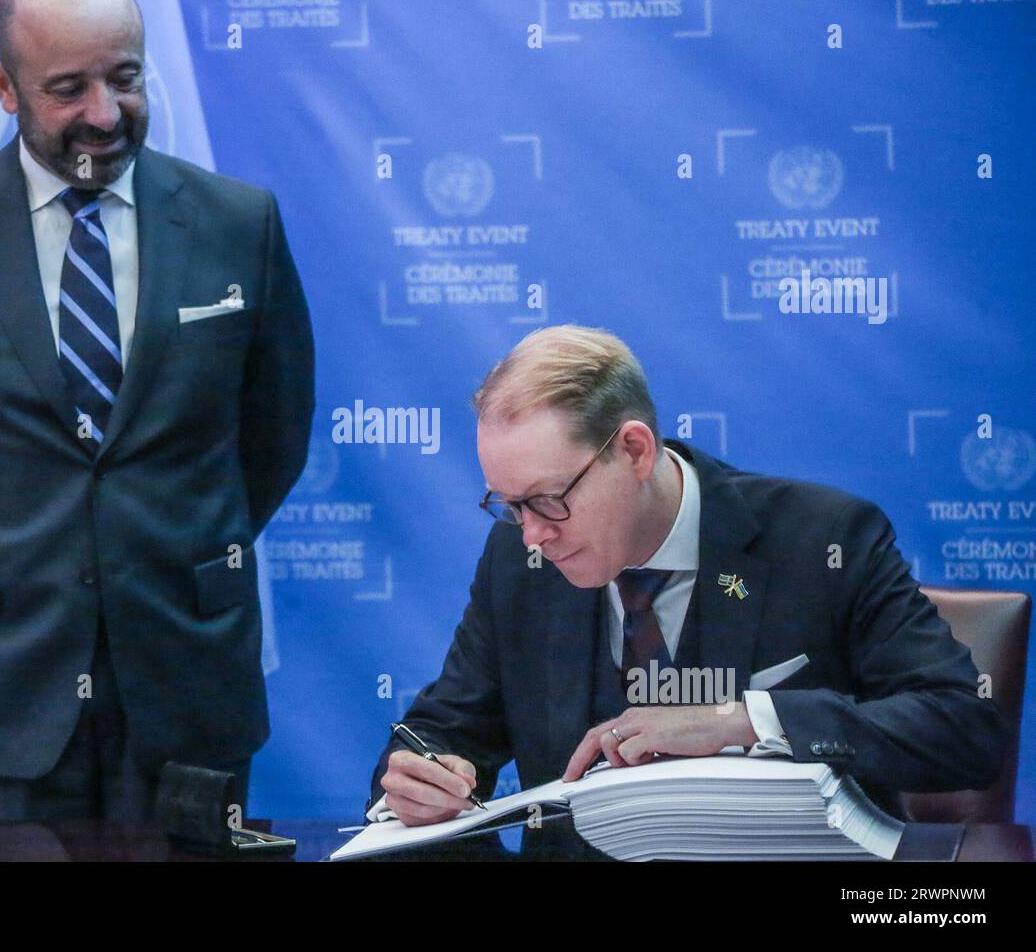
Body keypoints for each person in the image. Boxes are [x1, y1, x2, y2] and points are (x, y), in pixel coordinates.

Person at [0, 0, 313, 822]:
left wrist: (157, 546)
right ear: (2, 88)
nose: (105, 114)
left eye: (124, 79)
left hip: (186, 681)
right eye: (67, 89)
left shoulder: (238, 224)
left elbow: (274, 434)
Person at [368, 325, 1004, 827]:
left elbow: (964, 728)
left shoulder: (825, 539)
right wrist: (422, 778)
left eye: (547, 499)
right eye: (508, 507)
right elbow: (442, 731)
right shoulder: (521, 561)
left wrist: (745, 720)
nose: (532, 533)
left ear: (635, 451)